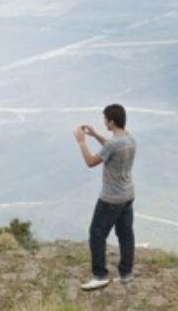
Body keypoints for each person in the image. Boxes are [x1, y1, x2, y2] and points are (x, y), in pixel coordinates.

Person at [73, 103, 137, 290]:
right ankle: (126, 273)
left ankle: (100, 275)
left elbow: (90, 162)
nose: (104, 122)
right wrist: (95, 135)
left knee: (96, 234)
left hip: (111, 198)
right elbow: (111, 148)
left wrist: (81, 141)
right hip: (127, 195)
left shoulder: (113, 144)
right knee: (125, 234)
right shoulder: (129, 139)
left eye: (105, 119)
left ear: (111, 121)